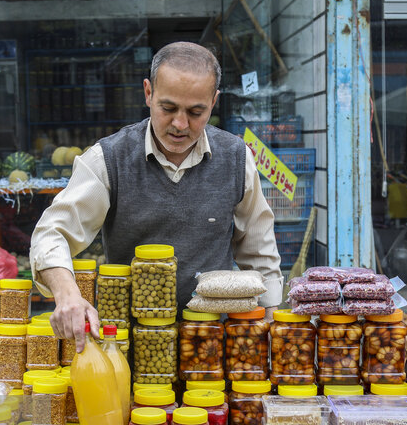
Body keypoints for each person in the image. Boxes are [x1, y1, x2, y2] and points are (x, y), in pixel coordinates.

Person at [31, 42, 282, 350]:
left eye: (195, 112)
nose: (180, 124)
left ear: (213, 102)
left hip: (212, 348)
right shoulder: (109, 159)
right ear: (148, 93)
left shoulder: (236, 157)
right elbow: (51, 233)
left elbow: (259, 254)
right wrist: (67, 292)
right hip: (128, 349)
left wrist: (270, 334)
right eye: (168, 108)